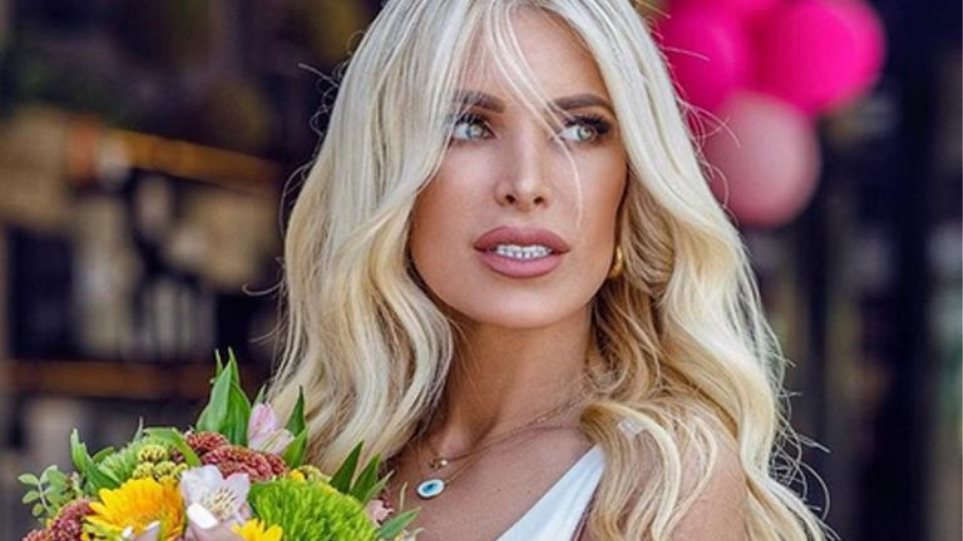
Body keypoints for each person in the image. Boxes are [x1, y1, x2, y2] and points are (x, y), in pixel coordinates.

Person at [267, 1, 831, 539]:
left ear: (631, 182)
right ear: (387, 166)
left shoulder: (659, 479)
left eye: (582, 129)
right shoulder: (304, 454)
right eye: (468, 125)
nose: (527, 184)